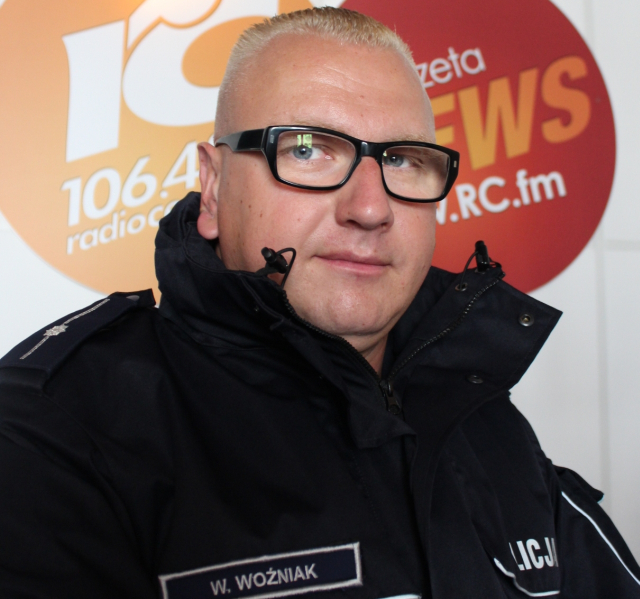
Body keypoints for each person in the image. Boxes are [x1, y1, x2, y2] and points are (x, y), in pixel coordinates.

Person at [0, 7, 639, 599]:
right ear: (214, 187)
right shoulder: (53, 432)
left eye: (404, 161)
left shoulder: (484, 420)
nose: (370, 208)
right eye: (307, 150)